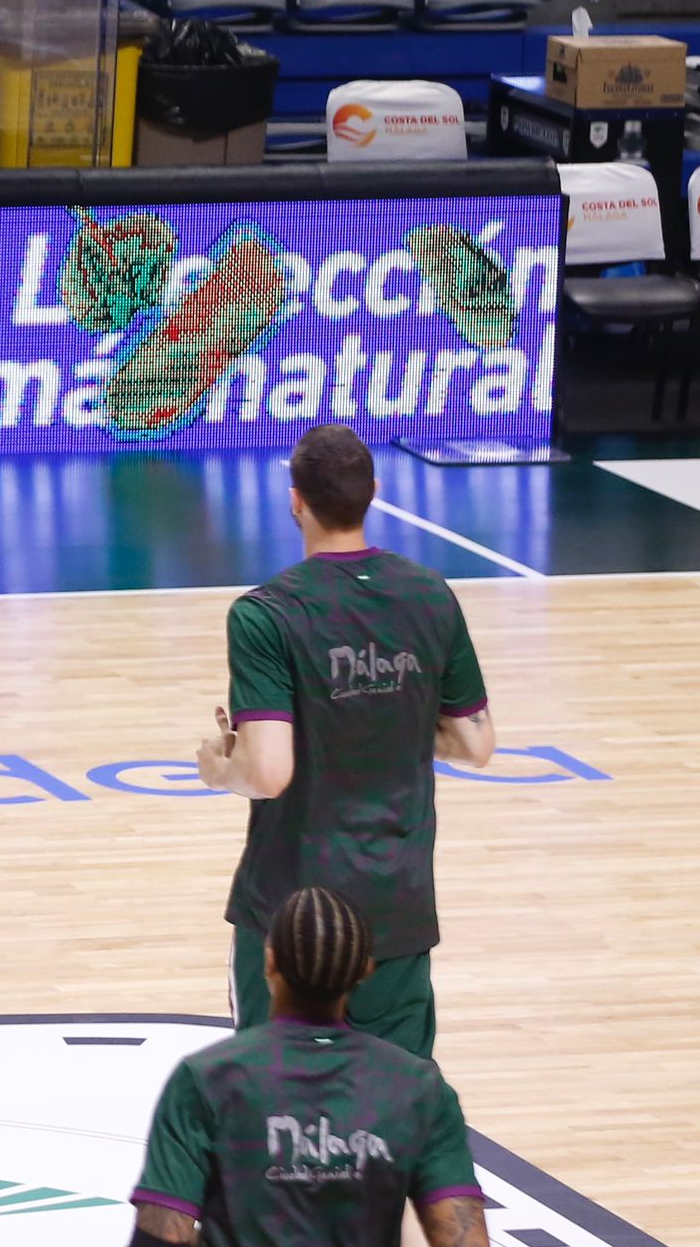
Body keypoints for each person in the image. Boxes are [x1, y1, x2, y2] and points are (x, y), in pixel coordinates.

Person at [194, 425, 496, 1060]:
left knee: (270, 1100)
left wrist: (221, 768)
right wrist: (400, 719)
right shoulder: (431, 594)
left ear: (294, 500)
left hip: (292, 912)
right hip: (397, 904)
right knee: (397, 1106)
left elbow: (269, 772)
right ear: (374, 494)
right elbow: (475, 744)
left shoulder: (267, 613)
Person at [129, 887, 490, 1247]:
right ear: (364, 970)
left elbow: (160, 1236)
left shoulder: (206, 1078)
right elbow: (464, 1239)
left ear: (269, 962)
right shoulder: (417, 1086)